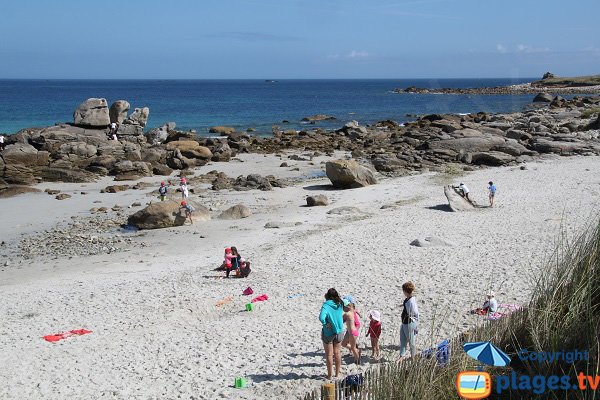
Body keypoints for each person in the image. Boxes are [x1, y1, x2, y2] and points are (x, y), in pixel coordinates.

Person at [319, 288, 345, 380]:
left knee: (329, 355)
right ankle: (337, 374)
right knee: (337, 353)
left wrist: (326, 323)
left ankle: (330, 375)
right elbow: (348, 307)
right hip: (339, 331)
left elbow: (321, 317)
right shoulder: (340, 303)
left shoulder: (326, 305)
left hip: (328, 332)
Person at [399, 281, 419, 359]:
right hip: (404, 323)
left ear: (405, 291)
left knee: (411, 341)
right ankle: (402, 356)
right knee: (402, 339)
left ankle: (413, 357)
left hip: (409, 323)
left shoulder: (411, 301)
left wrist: (411, 317)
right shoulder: (408, 299)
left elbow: (415, 312)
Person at [341, 298, 361, 365]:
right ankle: (357, 351)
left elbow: (340, 321)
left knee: (353, 347)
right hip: (350, 332)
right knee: (343, 344)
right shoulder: (352, 310)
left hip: (352, 333)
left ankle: (357, 360)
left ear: (346, 307)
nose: (342, 309)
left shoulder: (347, 314)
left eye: (342, 307)